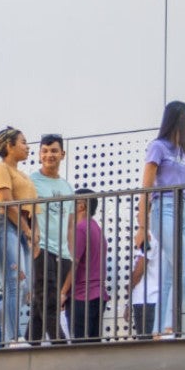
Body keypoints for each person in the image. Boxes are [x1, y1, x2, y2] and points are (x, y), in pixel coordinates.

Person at [140, 101, 185, 339]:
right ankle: (170, 325)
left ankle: (159, 329)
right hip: (163, 207)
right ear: (181, 119)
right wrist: (142, 226)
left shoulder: (183, 152)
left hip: (183, 209)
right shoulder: (158, 147)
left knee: (171, 271)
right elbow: (145, 187)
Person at [0, 128, 37, 347]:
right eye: (23, 142)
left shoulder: (23, 174)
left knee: (24, 288)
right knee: (14, 285)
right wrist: (26, 229)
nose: (27, 146)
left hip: (22, 230)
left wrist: (34, 235)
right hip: (6, 227)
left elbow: (32, 207)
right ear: (9, 146)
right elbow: (7, 201)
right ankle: (14, 337)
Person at [27, 133, 75, 345]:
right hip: (41, 248)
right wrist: (33, 244)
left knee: (41, 303)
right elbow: (25, 214)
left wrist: (71, 254)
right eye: (45, 151)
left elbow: (71, 224)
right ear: (39, 155)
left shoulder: (67, 188)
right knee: (49, 301)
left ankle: (31, 342)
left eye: (54, 151)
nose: (49, 155)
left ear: (62, 154)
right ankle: (59, 342)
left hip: (63, 253)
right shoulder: (32, 182)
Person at [61, 188, 109, 342]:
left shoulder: (80, 229)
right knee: (93, 346)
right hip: (98, 294)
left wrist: (62, 293)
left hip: (81, 296)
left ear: (81, 206)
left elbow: (74, 263)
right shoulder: (96, 229)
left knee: (80, 347)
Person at [126, 228, 159, 340]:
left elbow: (139, 271)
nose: (137, 216)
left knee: (146, 343)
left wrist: (130, 285)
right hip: (147, 299)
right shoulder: (154, 236)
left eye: (140, 213)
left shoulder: (150, 236)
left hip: (147, 299)